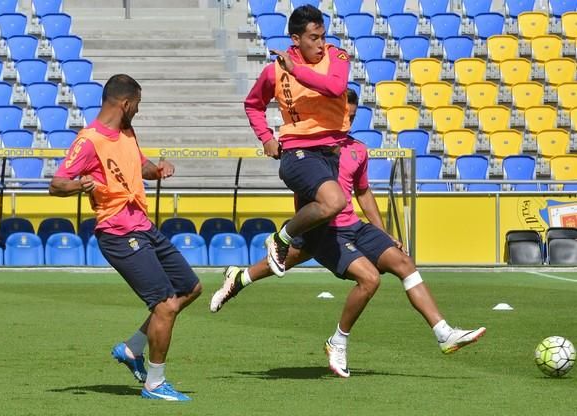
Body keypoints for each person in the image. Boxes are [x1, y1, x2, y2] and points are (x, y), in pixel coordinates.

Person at [210, 138, 486, 378]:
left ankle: (443, 333)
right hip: (325, 231)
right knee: (368, 278)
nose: (345, 119)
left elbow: (363, 192)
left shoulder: (358, 149)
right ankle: (337, 342)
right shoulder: (309, 148)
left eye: (350, 115)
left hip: (354, 226)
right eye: (343, 113)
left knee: (403, 263)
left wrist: (383, 232)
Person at [49, 74, 201, 401]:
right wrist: (80, 185)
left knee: (191, 288)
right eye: (138, 106)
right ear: (126, 103)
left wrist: (157, 169)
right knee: (165, 304)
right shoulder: (88, 140)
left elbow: (138, 165)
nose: (139, 112)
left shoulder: (126, 131)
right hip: (118, 232)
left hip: (142, 225)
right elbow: (57, 184)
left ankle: (132, 349)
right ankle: (155, 384)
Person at [245, 5, 352, 277]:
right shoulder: (274, 71)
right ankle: (281, 237)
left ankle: (240, 278)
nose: (321, 44)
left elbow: (336, 87)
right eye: (313, 38)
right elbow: (253, 105)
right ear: (296, 40)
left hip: (330, 156)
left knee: (310, 244)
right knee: (335, 202)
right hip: (298, 152)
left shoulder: (337, 56)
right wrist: (267, 137)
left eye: (323, 36)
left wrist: (296, 71)